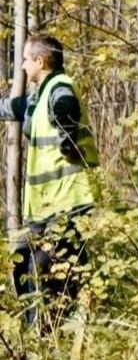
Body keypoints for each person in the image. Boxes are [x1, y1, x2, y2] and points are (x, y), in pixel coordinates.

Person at [1, 34, 98, 323]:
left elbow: (66, 107)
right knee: (21, 264)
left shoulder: (60, 88)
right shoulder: (40, 96)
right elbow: (13, 108)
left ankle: (55, 334)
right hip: (45, 208)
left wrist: (68, 139)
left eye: (25, 60)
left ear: (40, 61)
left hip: (68, 203)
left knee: (47, 272)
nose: (22, 66)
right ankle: (38, 336)